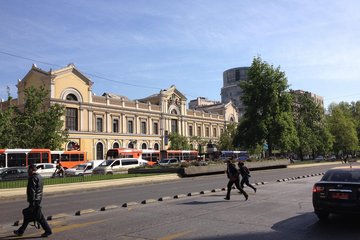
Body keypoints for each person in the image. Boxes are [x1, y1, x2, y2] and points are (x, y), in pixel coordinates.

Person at [14, 164, 52, 237]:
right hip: (37, 199)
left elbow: (32, 191)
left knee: (39, 217)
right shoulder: (39, 177)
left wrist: (32, 202)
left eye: (28, 170)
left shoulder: (33, 178)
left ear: (31, 170)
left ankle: (48, 231)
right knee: (27, 216)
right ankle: (20, 231)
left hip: (34, 201)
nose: (28, 171)